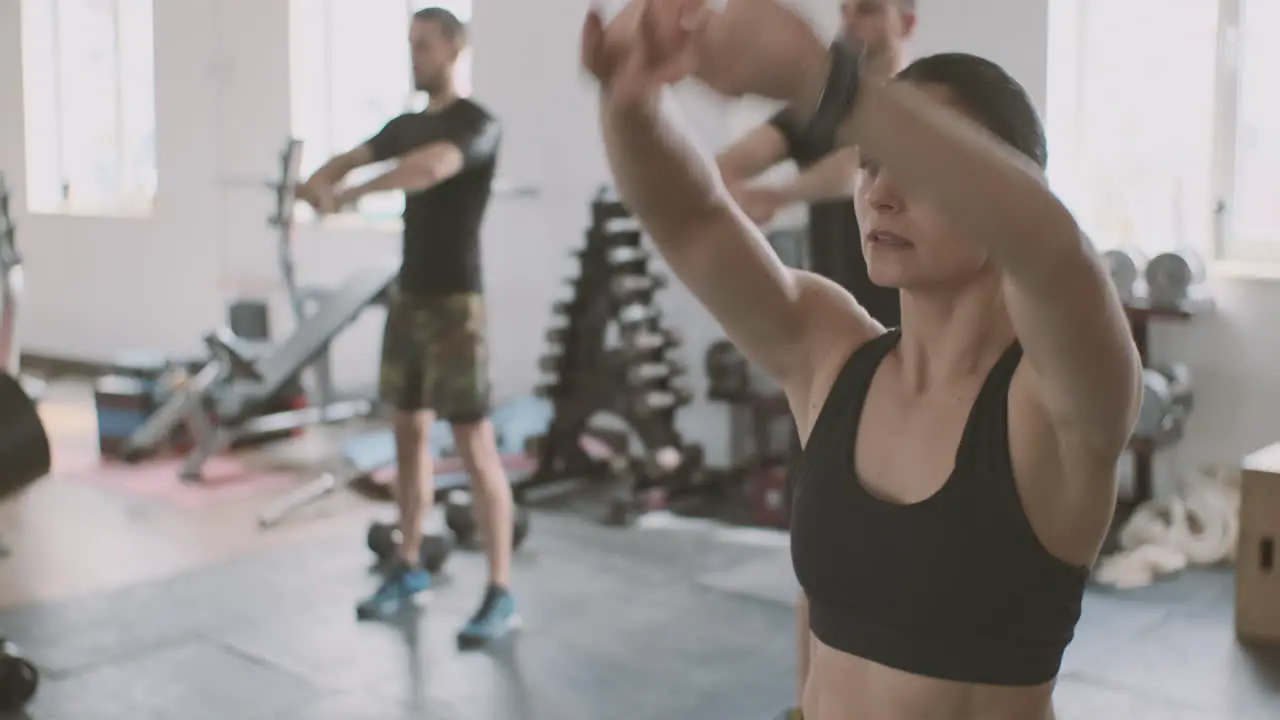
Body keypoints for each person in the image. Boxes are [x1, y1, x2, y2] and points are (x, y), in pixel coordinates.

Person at [583, 1, 1140, 719]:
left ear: (1002, 186)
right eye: (869, 166)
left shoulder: (1058, 403)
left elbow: (1053, 255)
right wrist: (632, 99)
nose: (879, 192)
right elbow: (690, 219)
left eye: (914, 169)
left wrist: (824, 80)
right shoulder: (830, 353)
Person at [297, 6, 519, 648]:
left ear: (455, 48)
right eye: (409, 45)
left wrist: (350, 194)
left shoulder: (477, 124)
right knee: (406, 437)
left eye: (423, 45)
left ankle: (501, 592)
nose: (413, 55)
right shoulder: (406, 124)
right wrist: (317, 180)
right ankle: (410, 564)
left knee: (474, 446)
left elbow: (428, 170)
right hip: (410, 298)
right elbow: (349, 155)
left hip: (457, 305)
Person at [716, 0, 915, 329]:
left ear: (907, 24)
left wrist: (777, 196)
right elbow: (738, 159)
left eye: (867, 10)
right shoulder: (821, 110)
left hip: (905, 323)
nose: (849, 24)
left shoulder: (922, 109)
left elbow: (855, 167)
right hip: (840, 322)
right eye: (845, 10)